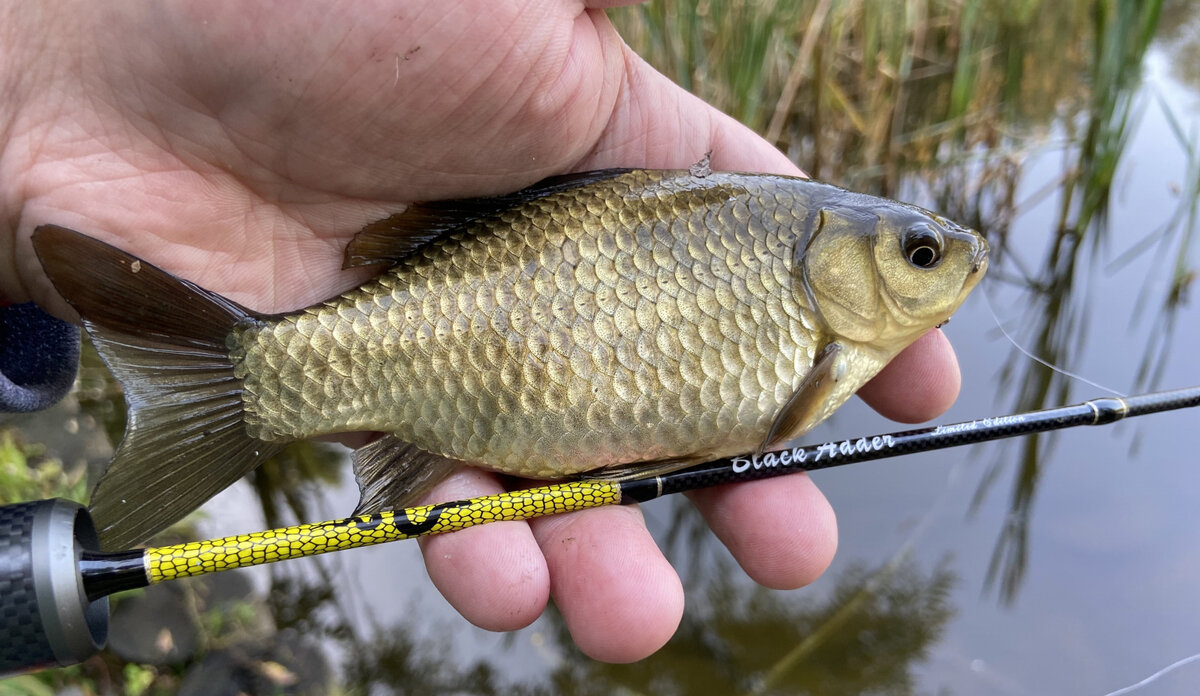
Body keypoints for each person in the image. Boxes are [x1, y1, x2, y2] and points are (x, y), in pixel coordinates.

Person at [0, 0, 960, 662]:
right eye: (919, 252)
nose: (938, 262)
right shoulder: (803, 323)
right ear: (835, 253)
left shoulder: (801, 295)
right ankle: (244, 380)